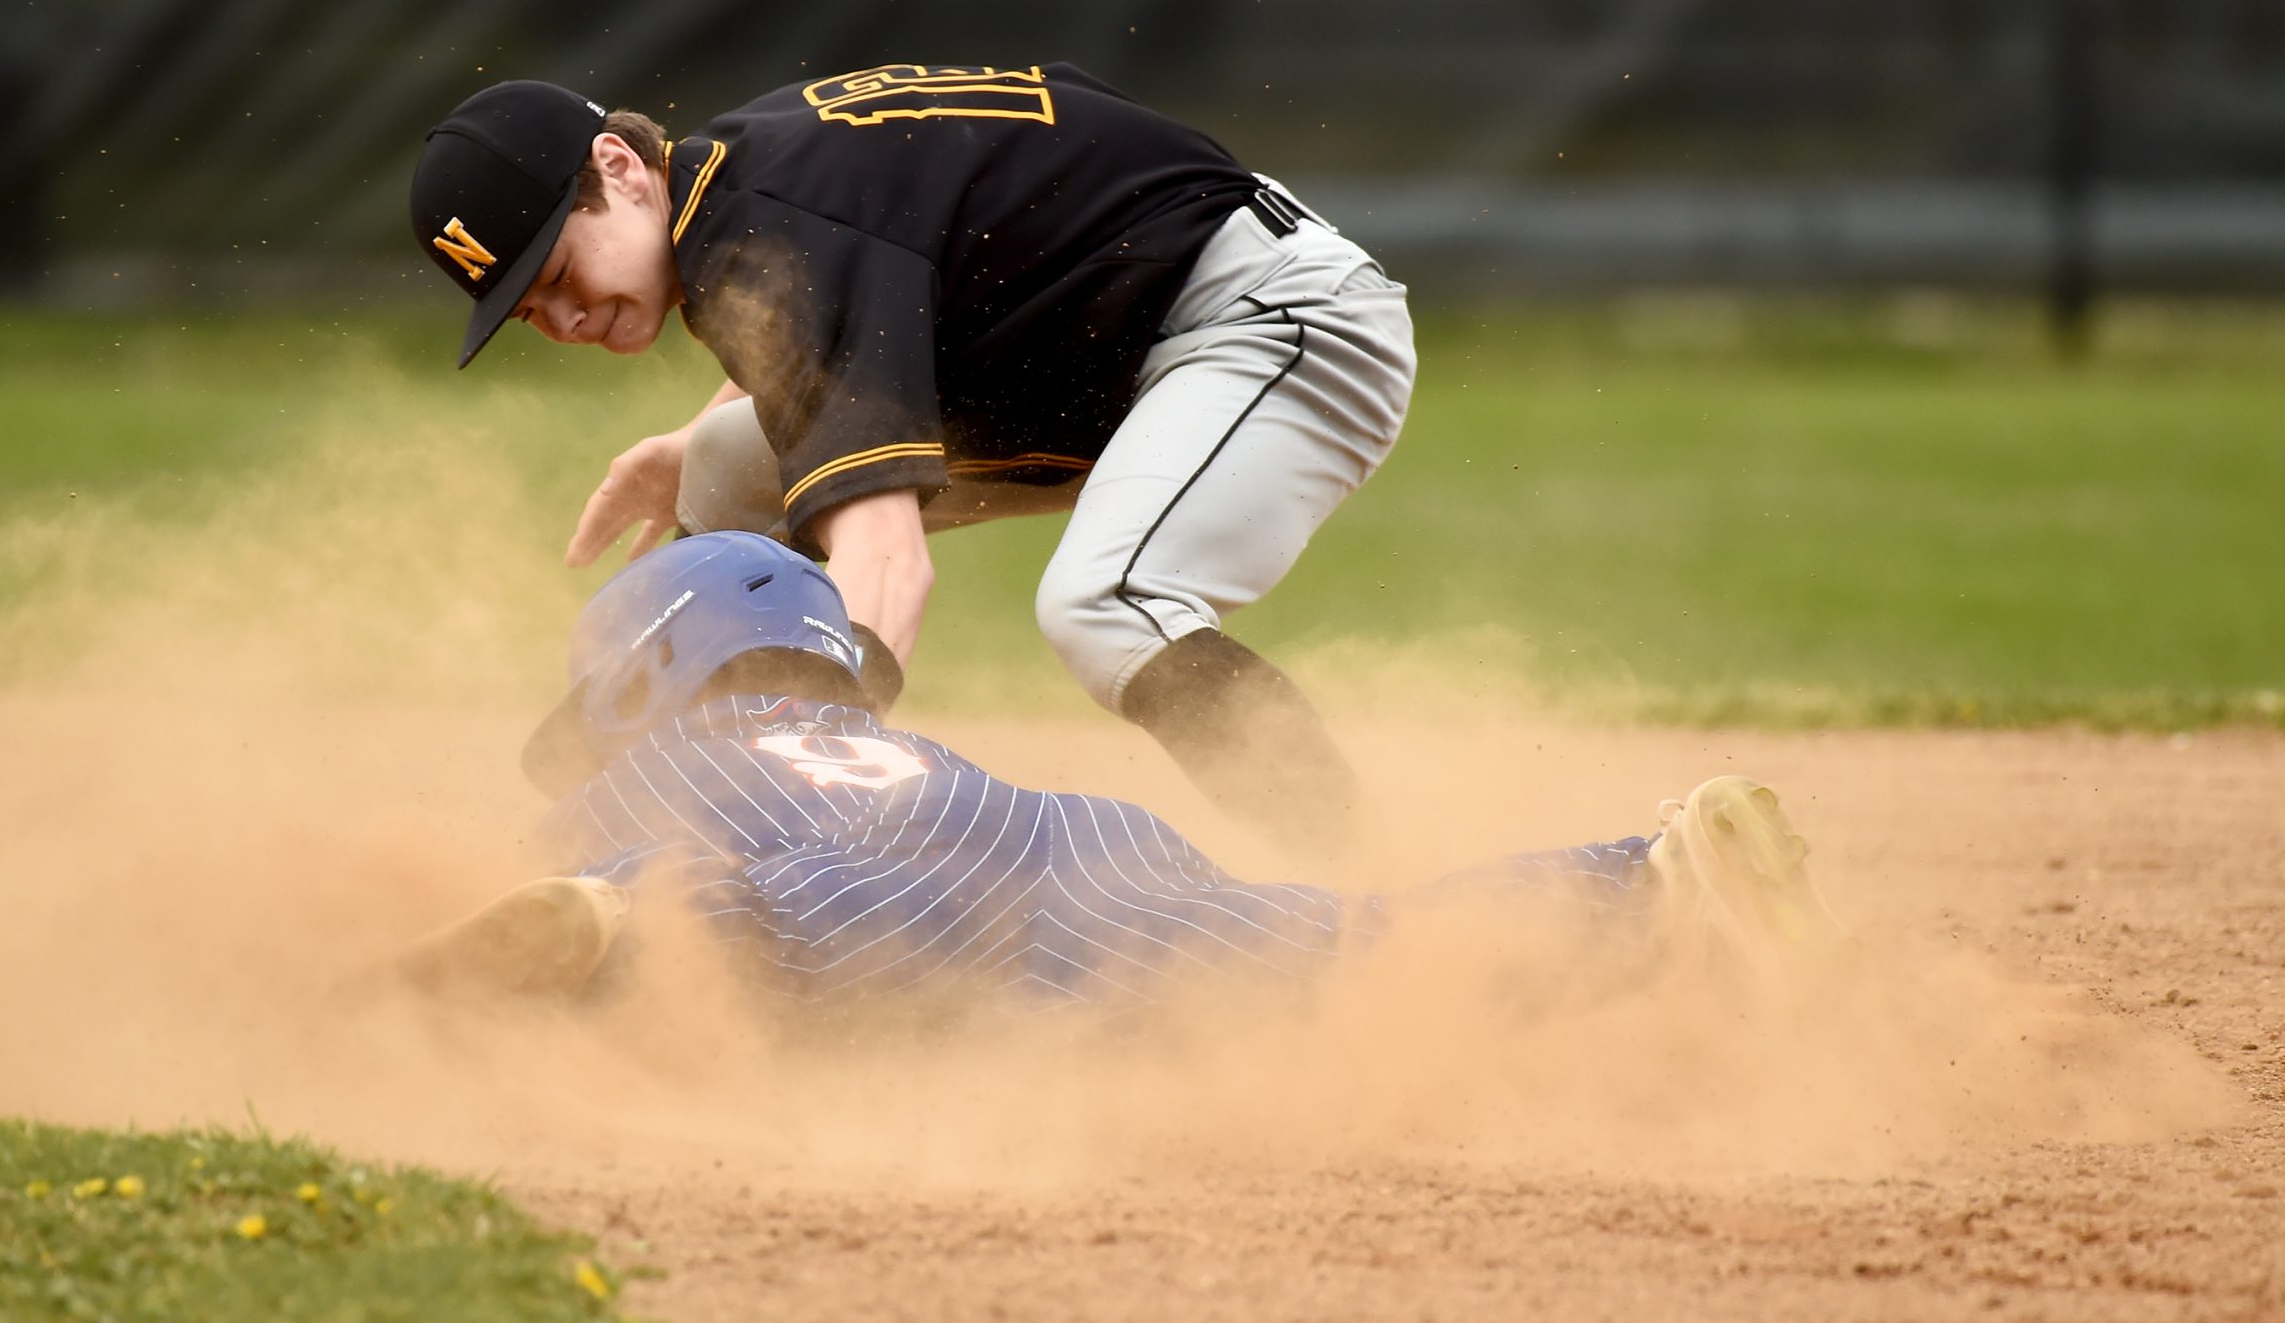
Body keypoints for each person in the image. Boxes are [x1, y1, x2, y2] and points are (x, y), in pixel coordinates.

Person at [405, 64, 1416, 847]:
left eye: (558, 268)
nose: (566, 314)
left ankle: (1355, 868)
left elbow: (886, 565)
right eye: (530, 311)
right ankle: (659, 807)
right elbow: (836, 313)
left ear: (618, 170)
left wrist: (823, 753)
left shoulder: (767, 234)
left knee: (1108, 605)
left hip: (1273, 321)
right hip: (1117, 344)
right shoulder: (743, 182)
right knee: (723, 463)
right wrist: (689, 444)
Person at [391, 534, 1842, 1014]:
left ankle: (608, 918)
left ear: (651, 673)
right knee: (1346, 958)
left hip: (846, 886)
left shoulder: (670, 764)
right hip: (1067, 837)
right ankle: (1645, 886)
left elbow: (782, 870)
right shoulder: (876, 734)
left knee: (750, 908)